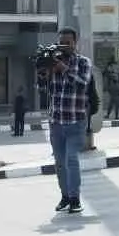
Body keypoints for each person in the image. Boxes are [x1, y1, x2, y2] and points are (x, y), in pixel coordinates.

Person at [41, 27, 94, 213]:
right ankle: (64, 196)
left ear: (75, 43)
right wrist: (46, 70)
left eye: (67, 42)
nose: (63, 46)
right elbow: (42, 86)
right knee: (60, 162)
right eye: (61, 42)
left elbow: (82, 85)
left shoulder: (83, 62)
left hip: (75, 120)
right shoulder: (53, 61)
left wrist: (63, 69)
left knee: (71, 159)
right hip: (56, 121)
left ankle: (75, 199)